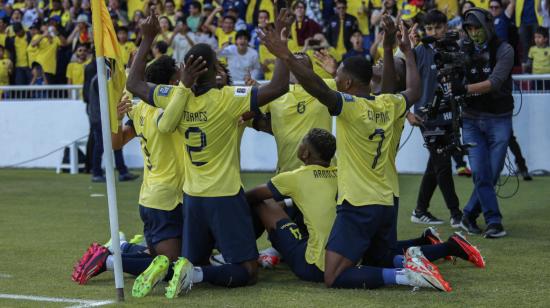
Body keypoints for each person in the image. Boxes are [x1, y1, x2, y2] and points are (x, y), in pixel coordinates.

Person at [261, 12, 453, 290]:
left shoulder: (350, 106)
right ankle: (415, 262)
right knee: (378, 258)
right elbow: (413, 89)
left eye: (337, 77)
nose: (334, 80)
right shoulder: (389, 104)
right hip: (386, 200)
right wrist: (406, 52)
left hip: (358, 203)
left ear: (348, 84)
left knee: (333, 275)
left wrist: (287, 56)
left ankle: (406, 275)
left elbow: (315, 87)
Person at [125, 11, 290, 296]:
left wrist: (148, 38)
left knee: (195, 256)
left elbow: (134, 84)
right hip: (223, 196)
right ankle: (197, 274)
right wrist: (282, 50)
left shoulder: (173, 94)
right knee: (248, 271)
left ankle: (189, 267)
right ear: (214, 70)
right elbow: (279, 87)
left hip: (192, 198)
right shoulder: (228, 98)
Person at [71, 57, 182, 286]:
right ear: (171, 82)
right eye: (178, 77)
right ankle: (109, 260)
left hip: (151, 196)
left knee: (167, 257)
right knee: (172, 265)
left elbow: (116, 142)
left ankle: (120, 247)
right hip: (166, 198)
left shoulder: (139, 109)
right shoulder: (170, 110)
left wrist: (118, 117)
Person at [459, 8, 516, 238]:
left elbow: (494, 82)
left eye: (477, 27)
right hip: (471, 119)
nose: (473, 33)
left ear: (488, 26)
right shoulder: (461, 49)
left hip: (499, 117)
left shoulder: (505, 49)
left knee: (491, 173)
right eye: (469, 28)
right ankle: (494, 221)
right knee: (482, 172)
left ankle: (469, 214)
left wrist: (462, 89)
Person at [407, 10, 463, 227]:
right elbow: (401, 87)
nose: (434, 32)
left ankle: (420, 210)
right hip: (426, 117)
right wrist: (407, 113)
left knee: (436, 163)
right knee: (442, 165)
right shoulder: (418, 51)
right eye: (429, 28)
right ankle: (456, 214)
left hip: (451, 114)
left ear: (446, 27)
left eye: (438, 27)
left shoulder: (454, 48)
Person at [83, 60, 139, 183]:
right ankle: (97, 172)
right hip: (100, 118)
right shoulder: (101, 80)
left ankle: (121, 171)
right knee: (101, 146)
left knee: (114, 143)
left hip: (102, 117)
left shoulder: (101, 79)